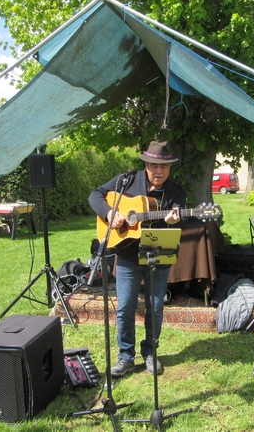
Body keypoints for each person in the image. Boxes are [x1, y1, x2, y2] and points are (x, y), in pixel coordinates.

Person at [88, 141, 186, 376]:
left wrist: (176, 219)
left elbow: (180, 217)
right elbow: (95, 195)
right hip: (127, 252)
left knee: (155, 307)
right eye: (153, 166)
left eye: (163, 167)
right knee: (125, 307)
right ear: (146, 165)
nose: (158, 172)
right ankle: (126, 357)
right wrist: (110, 213)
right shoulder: (127, 181)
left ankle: (150, 353)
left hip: (159, 250)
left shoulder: (176, 191)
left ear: (170, 168)